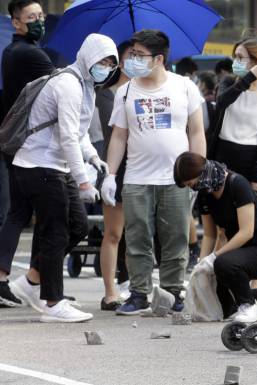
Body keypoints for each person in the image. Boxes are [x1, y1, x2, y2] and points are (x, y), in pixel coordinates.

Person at [8, 33, 118, 322]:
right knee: (55, 232)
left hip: (55, 166)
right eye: (101, 61)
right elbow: (67, 136)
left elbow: (76, 133)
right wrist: (84, 181)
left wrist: (93, 157)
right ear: (87, 57)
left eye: (110, 63)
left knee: (78, 226)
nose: (105, 67)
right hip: (40, 165)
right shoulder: (69, 84)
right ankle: (53, 303)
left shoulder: (86, 85)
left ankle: (31, 280)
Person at [102, 29, 206, 315]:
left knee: (175, 238)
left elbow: (196, 132)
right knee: (137, 239)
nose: (132, 60)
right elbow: (119, 137)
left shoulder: (184, 87)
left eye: (139, 55)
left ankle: (173, 292)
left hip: (175, 179)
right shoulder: (125, 91)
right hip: (136, 177)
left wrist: (198, 171)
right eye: (131, 54)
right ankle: (139, 293)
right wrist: (110, 175)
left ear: (159, 58)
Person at [174, 153, 257, 322]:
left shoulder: (237, 184)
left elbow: (247, 232)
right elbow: (210, 235)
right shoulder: (205, 193)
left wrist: (215, 257)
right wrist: (202, 264)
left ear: (200, 174)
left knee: (223, 263)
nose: (193, 188)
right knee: (222, 308)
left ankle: (249, 305)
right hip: (237, 252)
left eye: (192, 184)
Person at [0, 0, 54, 307]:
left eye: (41, 16)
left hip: (18, 143)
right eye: (31, 18)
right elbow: (61, 85)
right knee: (40, 213)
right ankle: (32, 282)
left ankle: (15, 280)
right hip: (30, 146)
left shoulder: (12, 50)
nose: (38, 21)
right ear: (17, 23)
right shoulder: (30, 53)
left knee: (19, 212)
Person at [206, 37, 257, 193]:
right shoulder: (229, 83)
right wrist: (247, 79)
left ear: (256, 61)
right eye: (235, 56)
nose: (235, 61)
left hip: (249, 158)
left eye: (240, 57)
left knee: (246, 212)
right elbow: (221, 102)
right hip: (222, 155)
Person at [96, 40, 133, 310]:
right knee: (113, 233)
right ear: (120, 61)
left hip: (144, 169)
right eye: (132, 56)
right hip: (115, 169)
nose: (136, 61)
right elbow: (109, 136)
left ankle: (135, 287)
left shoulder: (152, 92)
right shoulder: (106, 94)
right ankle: (110, 291)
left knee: (140, 234)